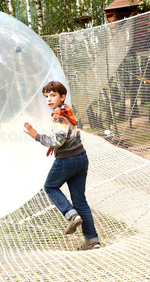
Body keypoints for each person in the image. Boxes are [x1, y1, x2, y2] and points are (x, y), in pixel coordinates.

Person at [23, 81, 100, 251]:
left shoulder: (57, 115)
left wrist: (37, 136)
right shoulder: (67, 110)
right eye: (46, 96)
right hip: (81, 158)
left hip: (67, 161)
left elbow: (58, 139)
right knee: (80, 201)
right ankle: (92, 240)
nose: (49, 99)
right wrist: (55, 145)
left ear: (62, 96)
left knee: (50, 186)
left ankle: (71, 215)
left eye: (53, 95)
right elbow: (69, 134)